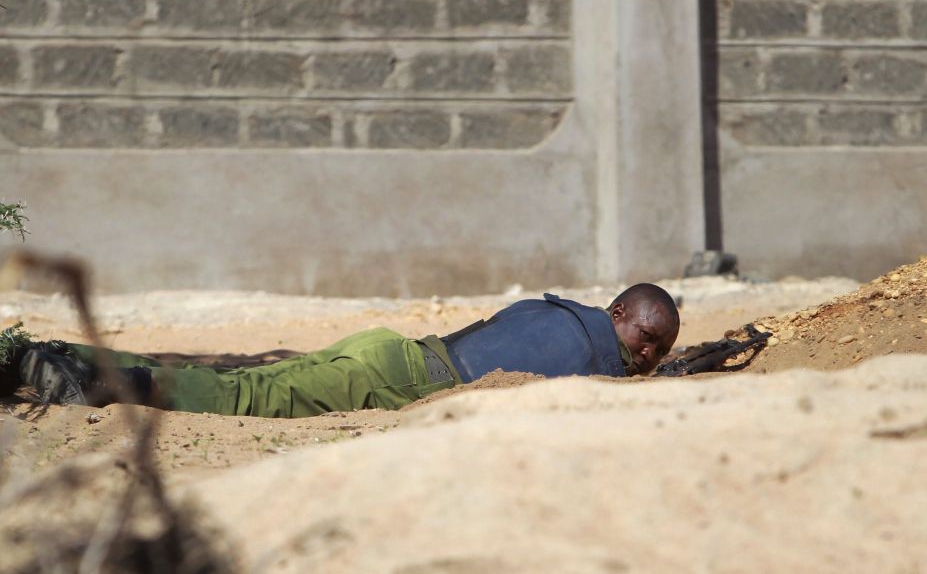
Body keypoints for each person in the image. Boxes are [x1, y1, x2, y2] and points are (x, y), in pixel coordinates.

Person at [3, 283, 679, 418]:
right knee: (243, 397)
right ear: (618, 314)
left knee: (254, 384)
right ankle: (84, 383)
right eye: (643, 339)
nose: (643, 356)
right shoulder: (600, 362)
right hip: (394, 382)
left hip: (388, 350)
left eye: (657, 352)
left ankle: (39, 350)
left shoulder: (550, 305)